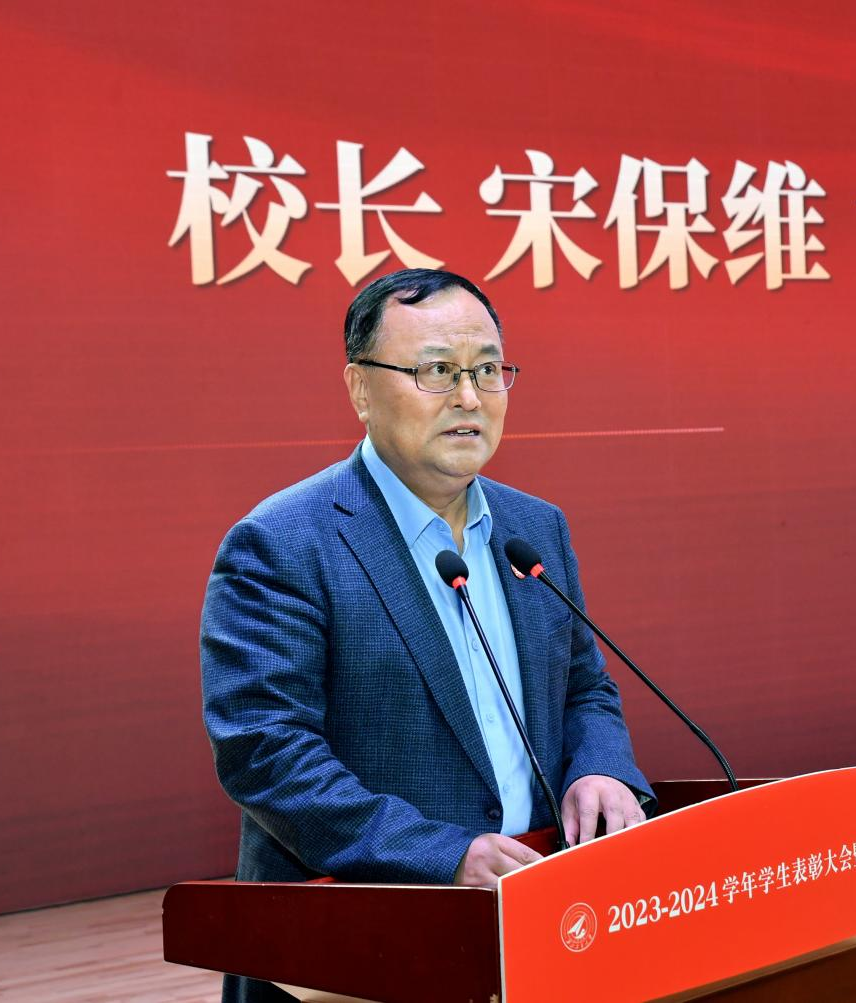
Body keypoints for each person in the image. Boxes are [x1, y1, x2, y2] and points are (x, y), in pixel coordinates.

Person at [201, 269, 653, 1002]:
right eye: (437, 371)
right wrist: (444, 854)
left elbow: (583, 686)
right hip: (361, 949)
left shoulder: (534, 526)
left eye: (487, 370)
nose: (469, 397)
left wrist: (599, 768)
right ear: (360, 388)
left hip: (539, 917)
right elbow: (267, 755)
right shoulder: (283, 543)